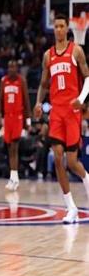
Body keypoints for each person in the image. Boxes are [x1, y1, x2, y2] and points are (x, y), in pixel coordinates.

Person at [34, 13, 89, 223]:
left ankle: (87, 181)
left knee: (73, 162)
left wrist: (81, 99)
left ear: (67, 28)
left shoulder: (76, 51)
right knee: (58, 158)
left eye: (61, 26)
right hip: (56, 112)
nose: (58, 29)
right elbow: (43, 84)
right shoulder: (48, 56)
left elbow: (88, 77)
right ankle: (71, 208)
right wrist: (38, 103)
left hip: (72, 112)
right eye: (55, 26)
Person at [0, 60, 31, 191]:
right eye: (9, 67)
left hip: (18, 117)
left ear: (17, 68)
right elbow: (0, 100)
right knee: (9, 147)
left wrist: (28, 121)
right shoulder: (3, 81)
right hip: (7, 117)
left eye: (13, 67)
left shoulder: (22, 81)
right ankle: (13, 177)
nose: (11, 69)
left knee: (14, 147)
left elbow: (26, 101)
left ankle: (14, 178)